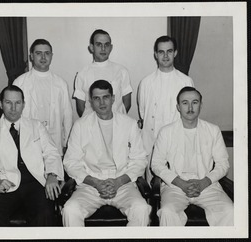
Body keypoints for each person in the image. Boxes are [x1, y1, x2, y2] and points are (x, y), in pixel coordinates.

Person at [62, 80, 151, 226]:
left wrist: (119, 182)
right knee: (70, 210)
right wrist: (95, 182)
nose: (102, 102)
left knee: (141, 209)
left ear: (113, 98)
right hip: (91, 184)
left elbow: (140, 160)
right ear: (90, 101)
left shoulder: (129, 124)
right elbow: (71, 162)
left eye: (106, 97)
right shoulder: (80, 126)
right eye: (96, 98)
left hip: (122, 183)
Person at [0, 85, 64, 226]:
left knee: (45, 215)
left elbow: (51, 153)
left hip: (36, 183)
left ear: (24, 104)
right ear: (0, 104)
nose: (13, 108)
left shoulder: (37, 127)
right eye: (8, 102)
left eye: (18, 103)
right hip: (6, 184)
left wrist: (52, 175)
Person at [151, 86, 233, 226]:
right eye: (185, 103)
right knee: (167, 212)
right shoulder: (166, 132)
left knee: (229, 211)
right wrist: (181, 183)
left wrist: (204, 182)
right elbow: (156, 164)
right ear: (178, 107)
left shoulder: (213, 130)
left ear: (201, 105)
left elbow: (223, 164)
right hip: (175, 185)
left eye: (194, 102)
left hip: (207, 184)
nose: (190, 107)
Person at [138, 35, 194, 184]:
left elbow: (189, 114)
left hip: (177, 144)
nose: (165, 55)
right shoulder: (146, 82)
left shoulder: (185, 81)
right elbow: (144, 112)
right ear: (155, 54)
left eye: (169, 51)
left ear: (175, 53)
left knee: (175, 188)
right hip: (152, 144)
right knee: (152, 189)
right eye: (161, 52)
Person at [13, 39, 73, 156]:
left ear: (52, 56)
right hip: (29, 141)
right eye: (38, 53)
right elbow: (13, 114)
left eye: (47, 53)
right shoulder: (20, 83)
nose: (43, 57)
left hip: (55, 140)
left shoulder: (61, 84)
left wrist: (67, 143)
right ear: (31, 56)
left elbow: (68, 115)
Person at [73, 29, 132, 117]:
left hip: (117, 125)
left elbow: (127, 103)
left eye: (106, 45)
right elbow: (81, 108)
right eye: (99, 45)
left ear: (111, 47)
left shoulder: (122, 71)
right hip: (92, 127)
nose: (103, 48)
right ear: (92, 47)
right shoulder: (82, 74)